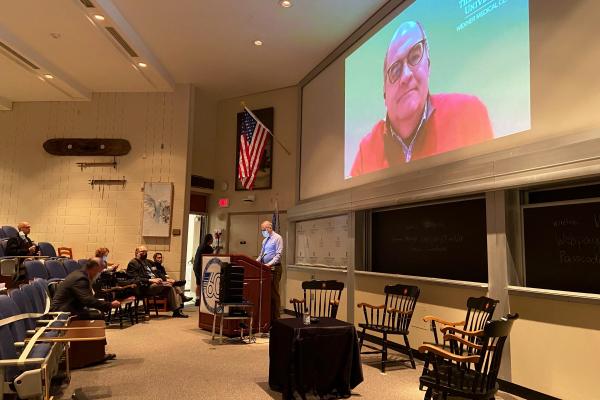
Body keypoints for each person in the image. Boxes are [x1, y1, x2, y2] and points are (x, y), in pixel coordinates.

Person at [350, 20, 493, 177]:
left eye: (414, 56)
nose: (405, 76)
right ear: (385, 94)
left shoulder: (469, 114)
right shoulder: (367, 149)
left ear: (428, 65)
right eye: (395, 70)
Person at [126, 246, 188, 318]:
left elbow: (157, 272)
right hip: (145, 286)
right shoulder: (133, 263)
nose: (144, 253)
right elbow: (135, 279)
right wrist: (151, 280)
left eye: (146, 252)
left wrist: (165, 279)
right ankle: (172, 284)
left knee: (170, 288)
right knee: (165, 285)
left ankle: (176, 311)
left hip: (156, 283)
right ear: (137, 252)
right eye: (142, 252)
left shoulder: (148, 262)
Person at [51, 257, 120, 319]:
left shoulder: (80, 274)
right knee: (99, 316)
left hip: (69, 308)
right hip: (62, 311)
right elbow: (87, 300)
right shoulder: (81, 278)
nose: (98, 274)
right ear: (94, 268)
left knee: (97, 313)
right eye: (99, 271)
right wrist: (110, 305)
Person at [256, 221, 283, 320]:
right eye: (262, 230)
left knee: (274, 293)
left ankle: (276, 318)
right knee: (267, 293)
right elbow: (261, 254)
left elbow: (278, 255)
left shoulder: (278, 238)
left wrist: (268, 264)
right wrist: (255, 262)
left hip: (274, 268)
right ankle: (268, 317)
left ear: (269, 228)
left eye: (264, 230)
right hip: (266, 269)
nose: (263, 232)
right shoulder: (265, 240)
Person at [193, 234, 214, 306]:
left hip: (196, 267)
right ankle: (204, 300)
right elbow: (212, 256)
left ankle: (197, 299)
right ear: (210, 239)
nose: (213, 240)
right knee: (204, 283)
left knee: (198, 284)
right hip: (201, 267)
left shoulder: (200, 246)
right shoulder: (208, 247)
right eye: (212, 239)